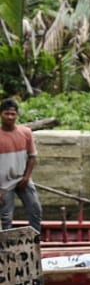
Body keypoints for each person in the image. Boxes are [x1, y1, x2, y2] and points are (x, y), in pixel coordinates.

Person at [0, 98, 42, 235]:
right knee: (6, 217)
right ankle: (6, 244)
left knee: (35, 209)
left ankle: (35, 240)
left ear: (17, 115)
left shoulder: (26, 133)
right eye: (6, 113)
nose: (10, 117)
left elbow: (32, 157)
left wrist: (26, 177)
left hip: (23, 178)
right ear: (1, 114)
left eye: (13, 114)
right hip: (4, 184)